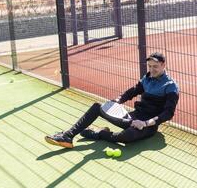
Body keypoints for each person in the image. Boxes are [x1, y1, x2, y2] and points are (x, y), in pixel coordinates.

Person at [45, 52, 179, 148]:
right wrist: (117, 100)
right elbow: (132, 91)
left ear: (163, 65)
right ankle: (68, 136)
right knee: (98, 106)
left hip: (148, 125)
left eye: (155, 67)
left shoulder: (170, 86)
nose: (151, 70)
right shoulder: (147, 77)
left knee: (126, 137)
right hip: (131, 118)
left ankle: (100, 133)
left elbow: (167, 114)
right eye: (149, 66)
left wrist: (144, 123)